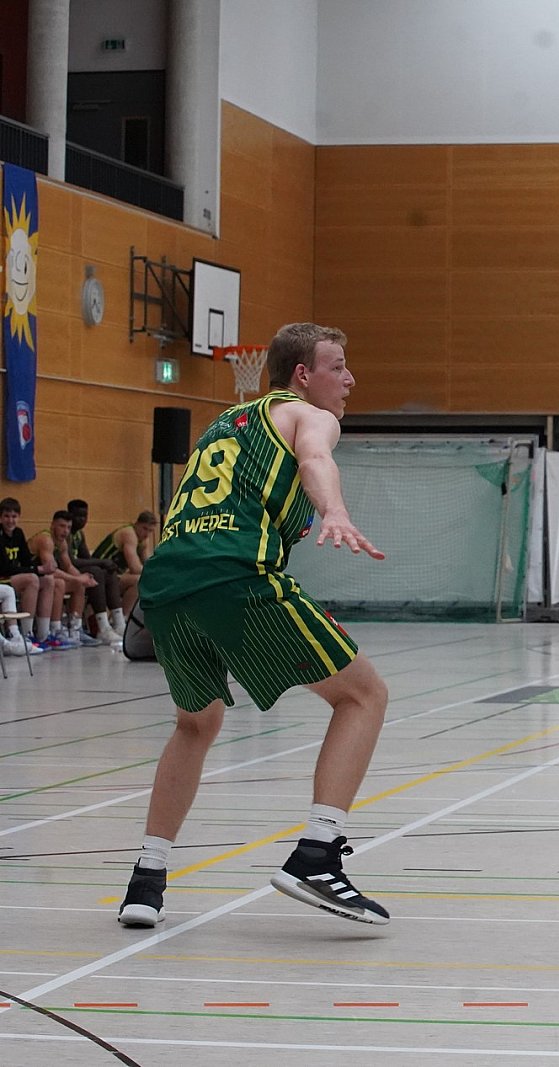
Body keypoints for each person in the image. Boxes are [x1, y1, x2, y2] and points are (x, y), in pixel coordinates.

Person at [116, 323, 392, 929]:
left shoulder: (225, 424)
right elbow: (316, 457)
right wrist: (334, 510)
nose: (349, 379)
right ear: (303, 375)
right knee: (363, 695)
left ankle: (146, 879)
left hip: (166, 584)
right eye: (338, 366)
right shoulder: (308, 415)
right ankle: (317, 854)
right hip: (234, 575)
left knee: (196, 723)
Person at [35, 509, 108, 646]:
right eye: (62, 526)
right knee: (60, 583)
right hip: (34, 577)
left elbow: (68, 566)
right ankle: (55, 629)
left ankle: (76, 629)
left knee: (79, 584)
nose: (65, 531)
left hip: (46, 580)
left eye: (68, 527)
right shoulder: (46, 539)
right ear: (52, 525)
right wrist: (78, 578)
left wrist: (83, 578)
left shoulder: (62, 542)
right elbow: (51, 570)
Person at [2, 498, 69, 649]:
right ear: (1, 518)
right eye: (6, 516)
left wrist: (44, 569)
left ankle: (44, 634)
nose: (10, 520)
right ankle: (27, 634)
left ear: (19, 517)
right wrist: (37, 570)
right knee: (32, 579)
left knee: (49, 580)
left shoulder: (18, 533)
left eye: (14, 516)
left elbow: (26, 561)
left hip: (14, 577)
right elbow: (5, 568)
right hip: (3, 579)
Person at [65, 498, 127, 635]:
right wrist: (101, 562)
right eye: (78, 516)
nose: (82, 519)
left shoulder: (79, 534)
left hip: (77, 571)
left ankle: (119, 623)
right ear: (70, 515)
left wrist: (105, 564)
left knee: (108, 573)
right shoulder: (65, 532)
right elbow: (71, 562)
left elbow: (87, 558)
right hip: (65, 572)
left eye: (84, 516)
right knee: (96, 572)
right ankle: (103, 627)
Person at [92, 510, 157, 613]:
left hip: (114, 576)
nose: (146, 534)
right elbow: (135, 568)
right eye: (144, 528)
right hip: (100, 575)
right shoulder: (129, 534)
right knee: (139, 581)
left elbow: (148, 564)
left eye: (150, 531)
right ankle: (123, 617)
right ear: (137, 524)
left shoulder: (143, 539)